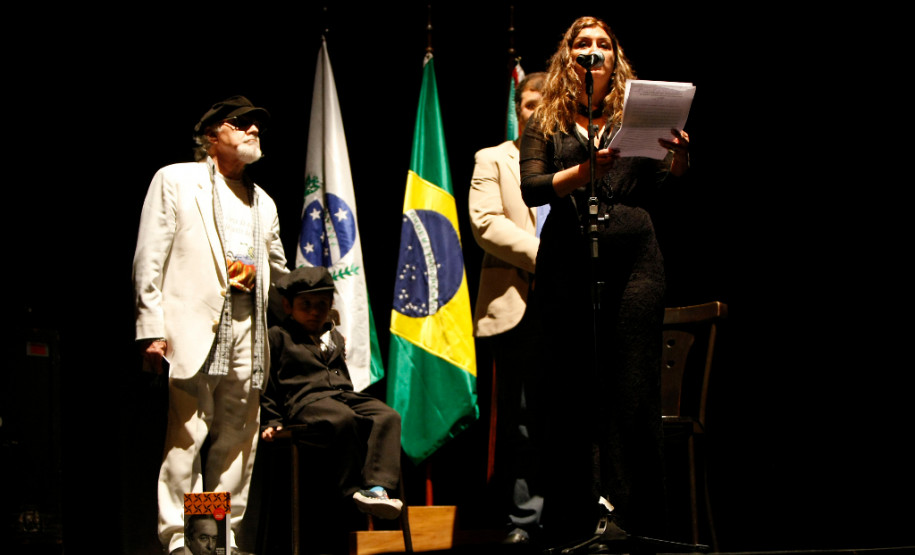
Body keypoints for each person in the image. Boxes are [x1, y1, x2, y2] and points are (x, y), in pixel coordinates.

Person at [518, 16, 690, 548]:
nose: (593, 52)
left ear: (616, 59)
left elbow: (662, 182)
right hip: (570, 261)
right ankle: (578, 517)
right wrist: (584, 173)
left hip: (636, 261)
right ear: (567, 57)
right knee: (576, 389)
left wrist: (680, 158)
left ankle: (633, 518)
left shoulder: (631, 117)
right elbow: (531, 188)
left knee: (630, 387)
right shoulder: (545, 121)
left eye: (603, 45)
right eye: (582, 44)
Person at [133, 95, 289, 555]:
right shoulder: (177, 180)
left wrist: (315, 293)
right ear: (210, 136)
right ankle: (181, 536)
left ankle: (216, 536)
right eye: (240, 124)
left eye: (257, 125)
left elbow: (280, 272)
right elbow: (151, 255)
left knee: (237, 439)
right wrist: (150, 326)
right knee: (189, 434)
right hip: (195, 327)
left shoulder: (264, 202)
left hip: (248, 330)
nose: (253, 130)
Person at [468, 72, 548, 545]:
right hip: (518, 303)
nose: (534, 112)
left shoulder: (580, 162)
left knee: (570, 416)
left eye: (544, 104)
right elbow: (486, 223)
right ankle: (524, 523)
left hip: (572, 304)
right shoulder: (494, 158)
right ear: (518, 109)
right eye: (527, 104)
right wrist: (549, 260)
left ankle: (580, 515)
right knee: (523, 420)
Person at [260, 266, 403, 521]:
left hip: (341, 395)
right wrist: (272, 420)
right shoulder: (278, 336)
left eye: (322, 304)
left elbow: (341, 375)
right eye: (306, 304)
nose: (314, 311)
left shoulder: (332, 335)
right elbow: (268, 381)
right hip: (306, 400)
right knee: (343, 418)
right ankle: (352, 490)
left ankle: (376, 487)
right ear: (287, 305)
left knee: (387, 416)